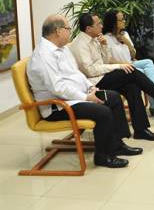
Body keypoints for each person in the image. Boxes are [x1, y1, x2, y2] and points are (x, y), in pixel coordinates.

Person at [27, 15, 143, 168]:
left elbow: (77, 74)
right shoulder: (43, 55)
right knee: (103, 111)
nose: (70, 32)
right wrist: (87, 97)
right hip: (58, 106)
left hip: (74, 97)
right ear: (57, 31)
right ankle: (102, 156)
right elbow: (58, 88)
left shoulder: (62, 49)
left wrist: (90, 87)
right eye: (68, 29)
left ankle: (116, 145)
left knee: (113, 98)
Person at [69, 13, 154, 141]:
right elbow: (90, 71)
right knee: (130, 71)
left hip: (102, 76)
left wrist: (104, 46)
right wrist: (118, 66)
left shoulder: (95, 39)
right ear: (88, 29)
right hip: (93, 84)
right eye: (98, 24)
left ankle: (141, 130)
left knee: (133, 86)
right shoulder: (80, 44)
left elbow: (105, 60)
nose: (101, 26)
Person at [102, 10, 154, 117]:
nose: (124, 21)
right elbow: (108, 60)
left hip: (131, 63)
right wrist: (123, 64)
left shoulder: (125, 34)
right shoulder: (105, 38)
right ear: (114, 22)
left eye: (124, 18)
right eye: (121, 19)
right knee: (143, 72)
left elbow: (133, 55)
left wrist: (126, 41)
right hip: (119, 68)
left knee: (148, 62)